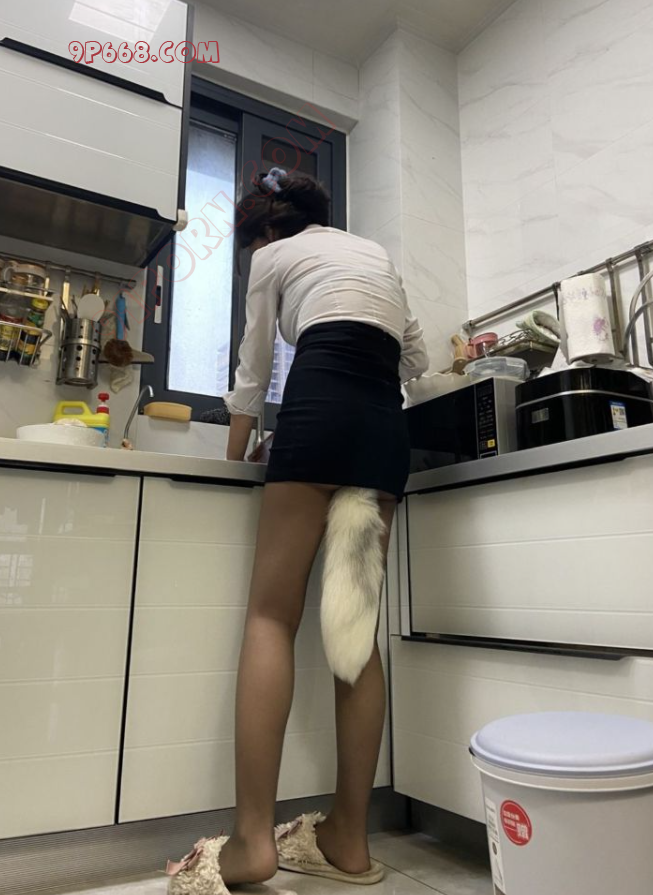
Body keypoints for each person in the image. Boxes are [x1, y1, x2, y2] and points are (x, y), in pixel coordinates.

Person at [167, 168, 428, 895]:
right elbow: (415, 357)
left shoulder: (272, 256)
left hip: (317, 417)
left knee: (270, 618)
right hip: (383, 432)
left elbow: (253, 373)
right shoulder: (371, 252)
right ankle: (349, 840)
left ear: (263, 232)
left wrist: (235, 457)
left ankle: (252, 842)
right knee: (354, 633)